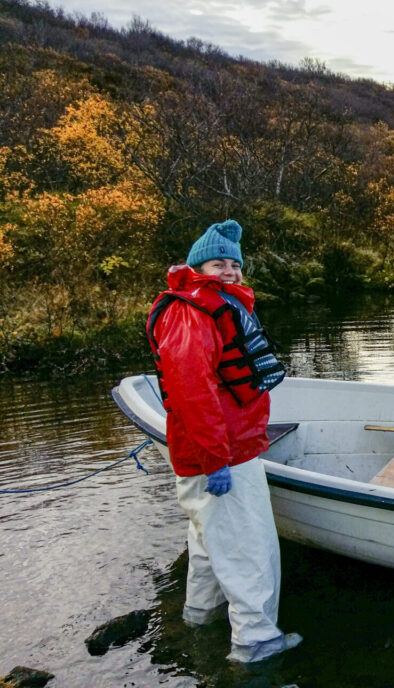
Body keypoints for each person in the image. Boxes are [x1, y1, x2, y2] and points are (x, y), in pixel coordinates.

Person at [146, 219, 300, 663]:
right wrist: (216, 460)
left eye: (234, 264)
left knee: (209, 542)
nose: (230, 271)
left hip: (220, 449)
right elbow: (193, 390)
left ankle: (200, 617)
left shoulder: (210, 304)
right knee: (249, 549)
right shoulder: (193, 310)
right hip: (222, 454)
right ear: (199, 266)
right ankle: (256, 644)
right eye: (219, 263)